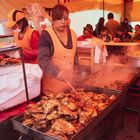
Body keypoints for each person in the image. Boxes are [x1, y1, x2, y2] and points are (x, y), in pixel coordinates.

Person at [38, 4, 77, 94]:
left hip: (69, 88)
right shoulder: (46, 35)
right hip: (52, 91)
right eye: (59, 18)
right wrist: (57, 72)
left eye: (66, 18)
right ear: (52, 19)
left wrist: (77, 77)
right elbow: (42, 60)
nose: (63, 22)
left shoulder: (73, 35)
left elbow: (75, 59)